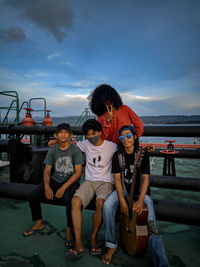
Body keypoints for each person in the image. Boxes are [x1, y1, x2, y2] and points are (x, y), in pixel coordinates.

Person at [102, 125, 169, 267]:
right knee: (107, 206)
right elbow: (117, 179)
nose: (125, 139)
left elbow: (145, 178)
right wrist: (121, 199)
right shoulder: (117, 155)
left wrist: (139, 200)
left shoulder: (142, 154)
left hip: (139, 193)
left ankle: (161, 262)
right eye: (122, 137)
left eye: (128, 136)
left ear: (135, 137)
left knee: (148, 209)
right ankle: (111, 244)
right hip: (124, 191)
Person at [23, 123, 83, 249]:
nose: (63, 135)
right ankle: (39, 222)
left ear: (70, 135)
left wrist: (63, 187)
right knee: (33, 195)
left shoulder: (75, 150)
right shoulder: (53, 150)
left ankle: (69, 229)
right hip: (55, 180)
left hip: (71, 181)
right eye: (60, 132)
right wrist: (47, 186)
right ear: (56, 135)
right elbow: (47, 171)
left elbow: (78, 173)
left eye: (66, 132)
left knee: (69, 200)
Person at [66, 119, 117, 259]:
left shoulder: (111, 146)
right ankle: (78, 243)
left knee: (100, 203)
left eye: (93, 133)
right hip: (89, 181)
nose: (91, 137)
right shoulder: (85, 144)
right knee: (75, 201)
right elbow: (70, 146)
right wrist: (56, 142)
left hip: (105, 182)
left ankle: (94, 238)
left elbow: (128, 148)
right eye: (88, 135)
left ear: (100, 132)